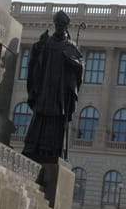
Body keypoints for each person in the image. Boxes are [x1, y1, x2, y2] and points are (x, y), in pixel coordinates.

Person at [23, 10, 83, 164]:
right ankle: (33, 147)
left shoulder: (70, 46)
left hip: (59, 92)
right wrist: (38, 47)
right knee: (40, 116)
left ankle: (52, 149)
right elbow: (36, 61)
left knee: (55, 119)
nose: (59, 27)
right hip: (44, 88)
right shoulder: (47, 42)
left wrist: (73, 64)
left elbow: (79, 66)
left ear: (66, 26)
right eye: (57, 24)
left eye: (62, 24)